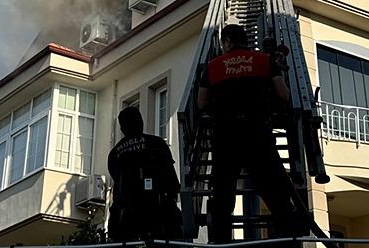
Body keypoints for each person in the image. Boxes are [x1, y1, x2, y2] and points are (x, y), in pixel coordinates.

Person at [197, 24, 294, 244]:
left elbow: (201, 102)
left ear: (228, 42)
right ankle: (288, 239)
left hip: (226, 139)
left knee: (222, 198)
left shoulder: (212, 67)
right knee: (276, 195)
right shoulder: (264, 61)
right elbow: (284, 94)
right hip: (258, 136)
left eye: (223, 43)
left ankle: (221, 243)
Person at [107, 106, 182, 241]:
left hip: (127, 220)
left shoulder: (114, 154)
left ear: (122, 128)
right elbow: (171, 180)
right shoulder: (157, 143)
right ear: (141, 122)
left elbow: (118, 184)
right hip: (161, 213)